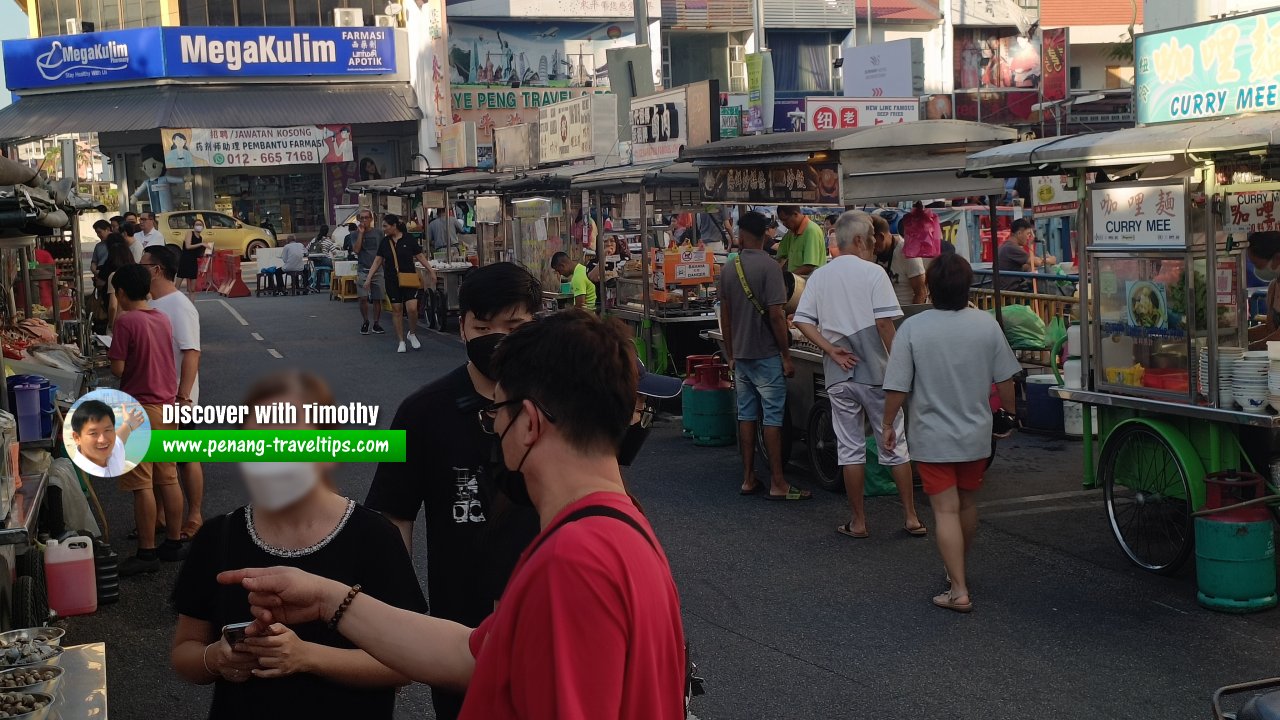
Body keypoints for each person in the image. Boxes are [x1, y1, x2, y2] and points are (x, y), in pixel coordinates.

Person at [221, 311, 688, 720]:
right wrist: (329, 598)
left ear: (529, 423)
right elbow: (473, 655)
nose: (495, 433)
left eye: (496, 418)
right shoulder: (616, 528)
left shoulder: (573, 562)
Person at [171, 370, 426, 719]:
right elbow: (185, 651)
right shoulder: (220, 536)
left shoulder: (373, 536)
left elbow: (406, 664)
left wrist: (306, 657)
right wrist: (216, 658)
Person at [365, 262, 543, 720]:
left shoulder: (559, 406)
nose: (497, 338)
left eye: (515, 326)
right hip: (459, 630)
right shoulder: (422, 411)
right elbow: (392, 517)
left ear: (536, 326)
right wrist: (397, 615)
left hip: (551, 617)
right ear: (461, 326)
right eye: (483, 326)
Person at [882, 254, 1020, 613]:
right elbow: (1006, 380)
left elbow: (897, 386)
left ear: (929, 286)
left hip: (932, 436)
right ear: (966, 286)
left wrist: (886, 424)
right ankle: (956, 568)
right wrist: (1008, 417)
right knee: (968, 504)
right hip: (976, 434)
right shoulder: (986, 324)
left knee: (944, 512)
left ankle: (957, 588)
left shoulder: (913, 327)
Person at [794, 211, 927, 540]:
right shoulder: (873, 274)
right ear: (857, 240)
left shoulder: (821, 277)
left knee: (850, 448)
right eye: (869, 240)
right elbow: (885, 324)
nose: (872, 245)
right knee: (894, 443)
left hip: (839, 376)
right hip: (876, 375)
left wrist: (831, 349)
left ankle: (859, 522)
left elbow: (801, 321)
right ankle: (911, 517)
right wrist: (900, 365)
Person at [717, 211, 804, 500]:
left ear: (742, 235)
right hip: (767, 354)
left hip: (741, 356)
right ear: (765, 235)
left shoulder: (729, 269)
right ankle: (777, 482)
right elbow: (778, 316)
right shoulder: (770, 268)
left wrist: (731, 353)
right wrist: (786, 355)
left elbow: (725, 317)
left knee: (746, 415)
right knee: (773, 417)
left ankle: (747, 478)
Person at [109, 264, 188, 575]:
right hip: (167, 406)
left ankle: (146, 553)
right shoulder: (162, 319)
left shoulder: (126, 322)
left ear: (122, 293)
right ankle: (173, 542)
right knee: (168, 477)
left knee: (142, 484)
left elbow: (117, 369)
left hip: (137, 409)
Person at [144, 245, 204, 540]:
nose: (140, 270)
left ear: (156, 270)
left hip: (178, 399)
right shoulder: (152, 303)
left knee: (185, 458)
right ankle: (162, 516)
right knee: (158, 459)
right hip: (156, 396)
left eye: (144, 266)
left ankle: (194, 515)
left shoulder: (179, 305)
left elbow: (191, 353)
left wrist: (183, 398)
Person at [365, 214, 435, 353]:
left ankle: (412, 333)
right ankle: (401, 340)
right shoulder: (385, 242)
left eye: (386, 226)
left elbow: (419, 255)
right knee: (397, 310)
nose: (383, 229)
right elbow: (378, 260)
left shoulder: (409, 239)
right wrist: (369, 277)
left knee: (412, 308)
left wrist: (430, 270)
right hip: (391, 280)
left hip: (409, 277)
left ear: (394, 226)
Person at [69, 400, 144, 479]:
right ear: (77, 438)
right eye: (93, 433)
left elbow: (120, 437)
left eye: (107, 430)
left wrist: (128, 424)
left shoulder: (113, 450)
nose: (103, 440)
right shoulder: (77, 476)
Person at [871, 214, 928, 306]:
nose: (869, 247)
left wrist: (911, 318)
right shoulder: (872, 251)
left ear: (881, 237)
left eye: (871, 242)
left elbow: (921, 293)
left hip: (904, 312)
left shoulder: (908, 253)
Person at [352, 210, 386, 336]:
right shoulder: (354, 234)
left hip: (378, 270)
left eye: (366, 218)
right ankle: (365, 321)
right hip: (363, 269)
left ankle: (376, 323)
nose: (364, 220)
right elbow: (356, 250)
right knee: (363, 298)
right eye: (362, 218)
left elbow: (383, 250)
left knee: (378, 298)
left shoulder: (378, 233)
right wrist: (361, 234)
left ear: (371, 219)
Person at [998, 218, 1056, 290]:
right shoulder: (1012, 247)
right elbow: (1036, 262)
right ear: (1019, 233)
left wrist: (1032, 265)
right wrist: (1051, 260)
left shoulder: (1006, 246)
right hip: (1011, 291)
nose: (1029, 237)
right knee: (1046, 288)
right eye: (1028, 234)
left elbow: (1025, 265)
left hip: (1006, 288)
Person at [775, 205, 827, 277]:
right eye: (782, 221)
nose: (784, 224)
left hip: (810, 284)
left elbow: (809, 267)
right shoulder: (791, 233)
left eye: (786, 220)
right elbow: (781, 257)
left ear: (795, 214)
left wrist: (788, 277)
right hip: (796, 283)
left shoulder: (811, 231)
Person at [1249, 231, 1280, 349]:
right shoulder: (1274, 286)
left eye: (1258, 265)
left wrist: (1249, 348)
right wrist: (1238, 334)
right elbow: (1269, 328)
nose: (1256, 270)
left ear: (1277, 258)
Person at [100, 233, 135, 332]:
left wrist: (111, 324)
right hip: (137, 318)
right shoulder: (138, 272)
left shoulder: (114, 276)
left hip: (120, 320)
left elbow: (113, 306)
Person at [177, 215, 209, 295]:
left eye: (200, 225)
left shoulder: (200, 237)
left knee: (192, 288)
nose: (199, 226)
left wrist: (207, 251)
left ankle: (191, 305)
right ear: (193, 226)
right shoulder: (190, 233)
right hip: (185, 260)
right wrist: (201, 244)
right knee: (177, 286)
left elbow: (198, 253)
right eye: (197, 224)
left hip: (193, 261)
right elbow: (188, 246)